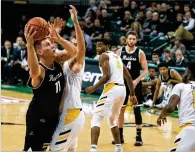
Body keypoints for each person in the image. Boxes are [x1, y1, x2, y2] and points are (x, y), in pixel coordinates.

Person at [23, 17, 77, 151]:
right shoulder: (40, 71)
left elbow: (75, 52)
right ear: (39, 52)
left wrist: (57, 38)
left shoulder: (58, 62)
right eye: (48, 45)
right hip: (37, 119)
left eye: (51, 43)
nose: (52, 46)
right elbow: (34, 71)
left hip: (52, 118)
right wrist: (29, 45)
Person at [85, 39, 137, 152]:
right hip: (122, 90)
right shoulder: (117, 57)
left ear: (107, 46)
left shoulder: (104, 56)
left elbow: (106, 76)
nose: (97, 48)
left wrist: (93, 88)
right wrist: (132, 95)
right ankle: (118, 148)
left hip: (112, 88)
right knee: (112, 120)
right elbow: (128, 77)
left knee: (96, 119)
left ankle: (93, 149)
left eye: (100, 46)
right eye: (96, 46)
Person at [49, 6, 86, 152]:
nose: (73, 46)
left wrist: (76, 22)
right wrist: (54, 35)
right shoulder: (63, 61)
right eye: (72, 43)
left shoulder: (76, 64)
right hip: (70, 113)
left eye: (76, 44)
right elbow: (50, 51)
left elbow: (79, 50)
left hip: (71, 113)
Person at [157, 62, 195, 151]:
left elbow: (170, 107)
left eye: (185, 72)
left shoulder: (181, 86)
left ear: (189, 75)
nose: (183, 74)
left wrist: (161, 115)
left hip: (190, 130)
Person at [116, 30, 148, 146]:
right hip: (123, 84)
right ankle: (120, 135)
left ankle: (139, 137)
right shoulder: (120, 52)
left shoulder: (140, 52)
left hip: (136, 84)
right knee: (121, 110)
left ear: (136, 40)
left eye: (134, 39)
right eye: (130, 39)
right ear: (126, 39)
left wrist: (136, 81)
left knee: (137, 110)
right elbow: (116, 68)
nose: (131, 41)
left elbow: (145, 70)